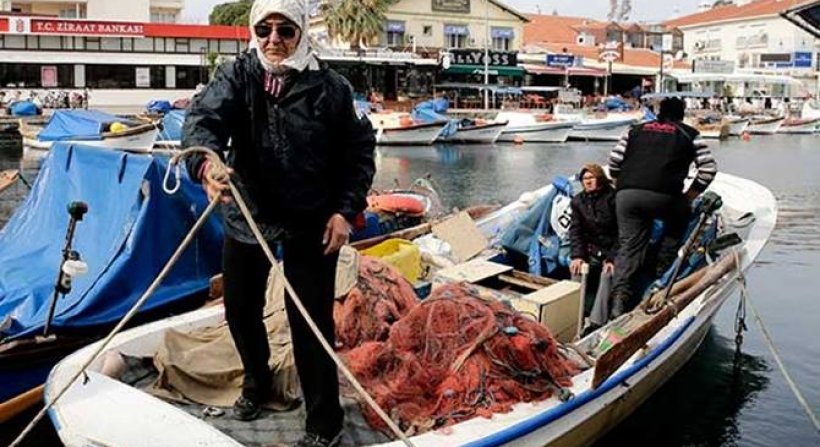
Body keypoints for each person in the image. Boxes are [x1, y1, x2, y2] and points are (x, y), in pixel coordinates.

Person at [181, 0, 376, 446]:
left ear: (301, 34)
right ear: (254, 30)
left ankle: (324, 422)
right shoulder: (236, 75)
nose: (274, 39)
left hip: (313, 219)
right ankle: (257, 385)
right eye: (265, 28)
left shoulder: (332, 88)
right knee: (240, 309)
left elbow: (359, 150)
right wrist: (207, 167)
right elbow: (203, 122)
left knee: (309, 322)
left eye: (285, 30)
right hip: (247, 213)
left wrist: (345, 210)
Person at [607, 97, 717, 318]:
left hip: (628, 196)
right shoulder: (689, 134)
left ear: (658, 112)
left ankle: (618, 304)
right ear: (682, 114)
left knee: (629, 248)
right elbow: (708, 169)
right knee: (675, 228)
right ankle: (660, 281)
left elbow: (613, 162)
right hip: (666, 197)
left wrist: (624, 186)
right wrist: (689, 196)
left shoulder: (634, 130)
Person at [568, 163, 618, 329]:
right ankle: (574, 318)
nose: (587, 182)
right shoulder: (578, 201)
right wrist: (578, 256)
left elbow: (623, 233)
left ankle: (597, 322)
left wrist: (612, 258)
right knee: (576, 269)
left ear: (600, 179)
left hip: (612, 249)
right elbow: (575, 231)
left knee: (607, 274)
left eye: (591, 178)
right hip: (592, 249)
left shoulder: (614, 198)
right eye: (584, 179)